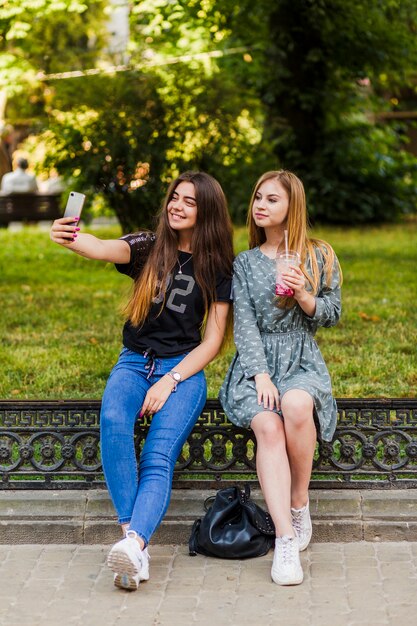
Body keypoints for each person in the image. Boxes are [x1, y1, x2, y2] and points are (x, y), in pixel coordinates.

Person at [50, 171, 234, 591]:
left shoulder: (219, 265)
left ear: (206, 211)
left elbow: (213, 340)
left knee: (156, 456)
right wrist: (68, 235)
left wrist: (170, 379)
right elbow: (98, 247)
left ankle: (132, 548)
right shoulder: (148, 247)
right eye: (174, 197)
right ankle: (135, 544)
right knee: (114, 424)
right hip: (133, 363)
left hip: (182, 370)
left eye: (189, 201)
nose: (177, 205)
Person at [219, 170, 342, 586]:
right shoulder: (245, 262)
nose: (260, 205)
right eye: (257, 197)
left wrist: (306, 295)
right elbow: (246, 324)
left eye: (272, 199)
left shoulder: (318, 255)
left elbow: (333, 312)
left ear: (292, 207)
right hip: (257, 367)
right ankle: (286, 542)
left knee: (296, 404)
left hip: (302, 360)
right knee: (269, 424)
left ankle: (298, 501)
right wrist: (261, 376)